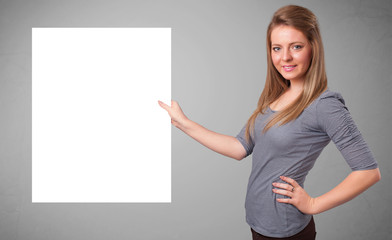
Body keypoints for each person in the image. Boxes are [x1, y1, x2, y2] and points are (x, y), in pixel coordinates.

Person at [158, 5, 381, 240]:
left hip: (286, 230)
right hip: (259, 223)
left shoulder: (325, 105)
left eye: (296, 46)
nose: (285, 57)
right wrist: (183, 123)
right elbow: (238, 147)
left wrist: (314, 204)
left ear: (313, 48)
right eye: (277, 48)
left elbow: (368, 172)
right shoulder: (276, 97)